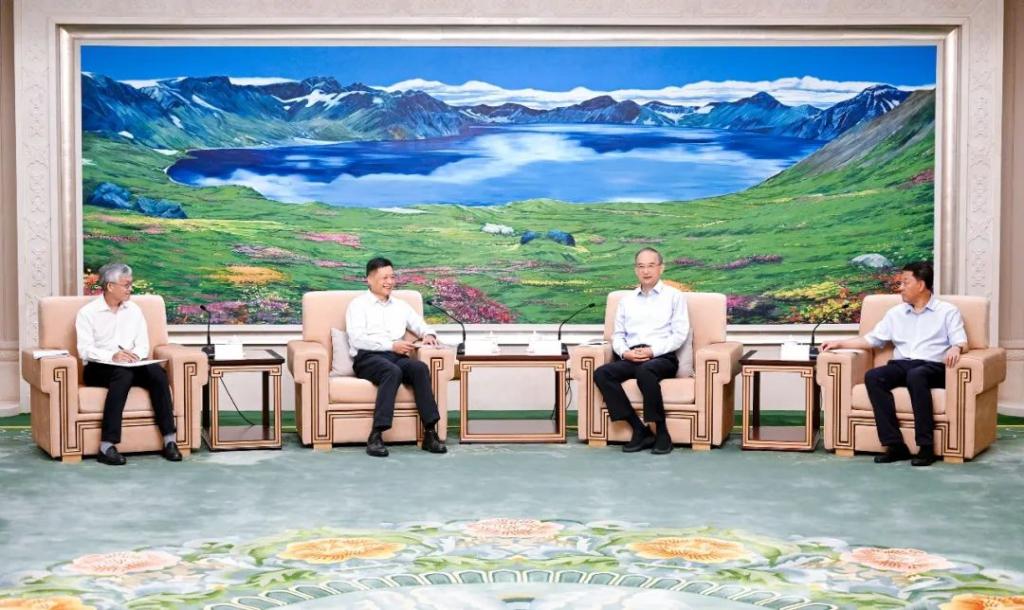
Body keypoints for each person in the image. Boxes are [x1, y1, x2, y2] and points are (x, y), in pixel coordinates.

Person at [821, 261, 967, 467]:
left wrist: (956, 348)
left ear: (921, 285)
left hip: (933, 367)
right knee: (874, 376)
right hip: (902, 364)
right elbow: (871, 339)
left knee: (917, 375)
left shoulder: (947, 311)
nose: (900, 288)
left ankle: (926, 447)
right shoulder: (895, 313)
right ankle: (895, 445)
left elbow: (961, 341)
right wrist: (839, 343)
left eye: (905, 282)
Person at [75, 262, 180, 465]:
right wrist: (113, 356)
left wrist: (134, 356)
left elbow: (143, 344)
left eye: (130, 284)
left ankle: (169, 440)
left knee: (157, 373)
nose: (130, 289)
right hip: (98, 367)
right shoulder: (87, 313)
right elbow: (84, 350)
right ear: (110, 286)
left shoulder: (134, 310)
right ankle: (106, 446)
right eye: (126, 285)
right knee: (122, 375)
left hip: (131, 364)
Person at [346, 257, 447, 457]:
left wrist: (429, 334)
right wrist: (391, 345)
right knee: (392, 372)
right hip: (367, 358)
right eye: (384, 277)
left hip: (395, 355)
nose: (390, 282)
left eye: (392, 277)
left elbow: (420, 324)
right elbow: (357, 339)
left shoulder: (401, 306)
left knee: (419, 368)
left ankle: (430, 433)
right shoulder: (358, 305)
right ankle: (376, 435)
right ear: (369, 279)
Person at [593, 248, 690, 455]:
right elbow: (618, 335)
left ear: (661, 268)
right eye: (641, 266)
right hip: (632, 355)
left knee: (645, 371)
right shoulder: (626, 300)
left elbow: (679, 334)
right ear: (636, 270)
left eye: (651, 266)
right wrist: (625, 353)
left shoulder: (674, 296)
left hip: (661, 356)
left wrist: (652, 352)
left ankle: (662, 433)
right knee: (602, 373)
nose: (646, 271)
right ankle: (639, 430)